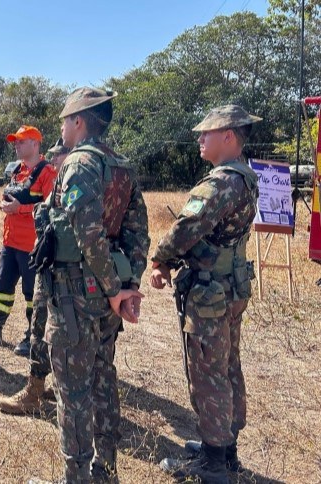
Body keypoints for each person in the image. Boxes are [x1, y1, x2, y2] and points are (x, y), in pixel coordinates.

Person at [29, 87, 149, 484]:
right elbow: (136, 234)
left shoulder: (79, 164)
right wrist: (127, 286)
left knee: (73, 391)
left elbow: (88, 233)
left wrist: (117, 290)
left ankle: (76, 477)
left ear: (79, 121)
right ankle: (106, 471)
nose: (61, 128)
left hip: (75, 293)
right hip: (105, 296)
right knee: (103, 378)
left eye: (65, 120)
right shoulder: (121, 165)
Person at [152, 105, 261, 483]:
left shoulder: (219, 183)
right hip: (231, 289)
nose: (199, 139)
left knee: (208, 372)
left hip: (210, 294)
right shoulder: (246, 178)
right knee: (228, 365)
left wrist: (159, 258)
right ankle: (225, 449)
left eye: (206, 133)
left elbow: (185, 231)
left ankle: (214, 464)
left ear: (228, 136)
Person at [0, 125, 57, 356]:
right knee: (2, 288)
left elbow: (52, 207)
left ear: (35, 144)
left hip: (31, 246)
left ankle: (32, 337)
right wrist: (5, 205)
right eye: (15, 141)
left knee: (31, 295)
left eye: (21, 141)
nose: (16, 145)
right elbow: (9, 195)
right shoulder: (17, 169)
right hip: (10, 242)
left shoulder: (48, 172)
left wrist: (21, 209)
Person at [0, 138, 69, 415]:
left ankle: (47, 387)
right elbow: (47, 211)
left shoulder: (65, 178)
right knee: (44, 325)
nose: (55, 161)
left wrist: (24, 209)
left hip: (64, 266)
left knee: (52, 326)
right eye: (53, 156)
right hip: (45, 257)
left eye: (60, 155)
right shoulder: (35, 174)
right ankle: (38, 387)